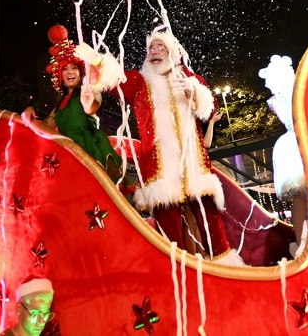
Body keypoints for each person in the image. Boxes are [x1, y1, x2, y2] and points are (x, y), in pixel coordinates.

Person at [75, 28, 244, 265]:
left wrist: (194, 92)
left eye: (160, 47)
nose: (154, 51)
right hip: (159, 167)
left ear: (172, 52)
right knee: (169, 230)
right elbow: (117, 81)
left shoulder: (187, 76)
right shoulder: (140, 81)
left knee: (210, 222)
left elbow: (211, 108)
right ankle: (172, 271)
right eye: (150, 49)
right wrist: (99, 61)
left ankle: (226, 269)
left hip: (193, 164)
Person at [23, 25, 124, 183]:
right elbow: (44, 127)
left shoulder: (88, 90)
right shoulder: (60, 105)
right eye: (65, 69)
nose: (70, 72)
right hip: (66, 152)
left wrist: (97, 62)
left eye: (74, 68)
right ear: (60, 75)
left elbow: (92, 104)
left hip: (88, 149)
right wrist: (28, 112)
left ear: (81, 72)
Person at [259, 55, 308, 258]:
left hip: (290, 145)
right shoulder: (297, 93)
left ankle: (302, 243)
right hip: (300, 142)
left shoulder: (276, 100)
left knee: (300, 197)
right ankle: (307, 242)